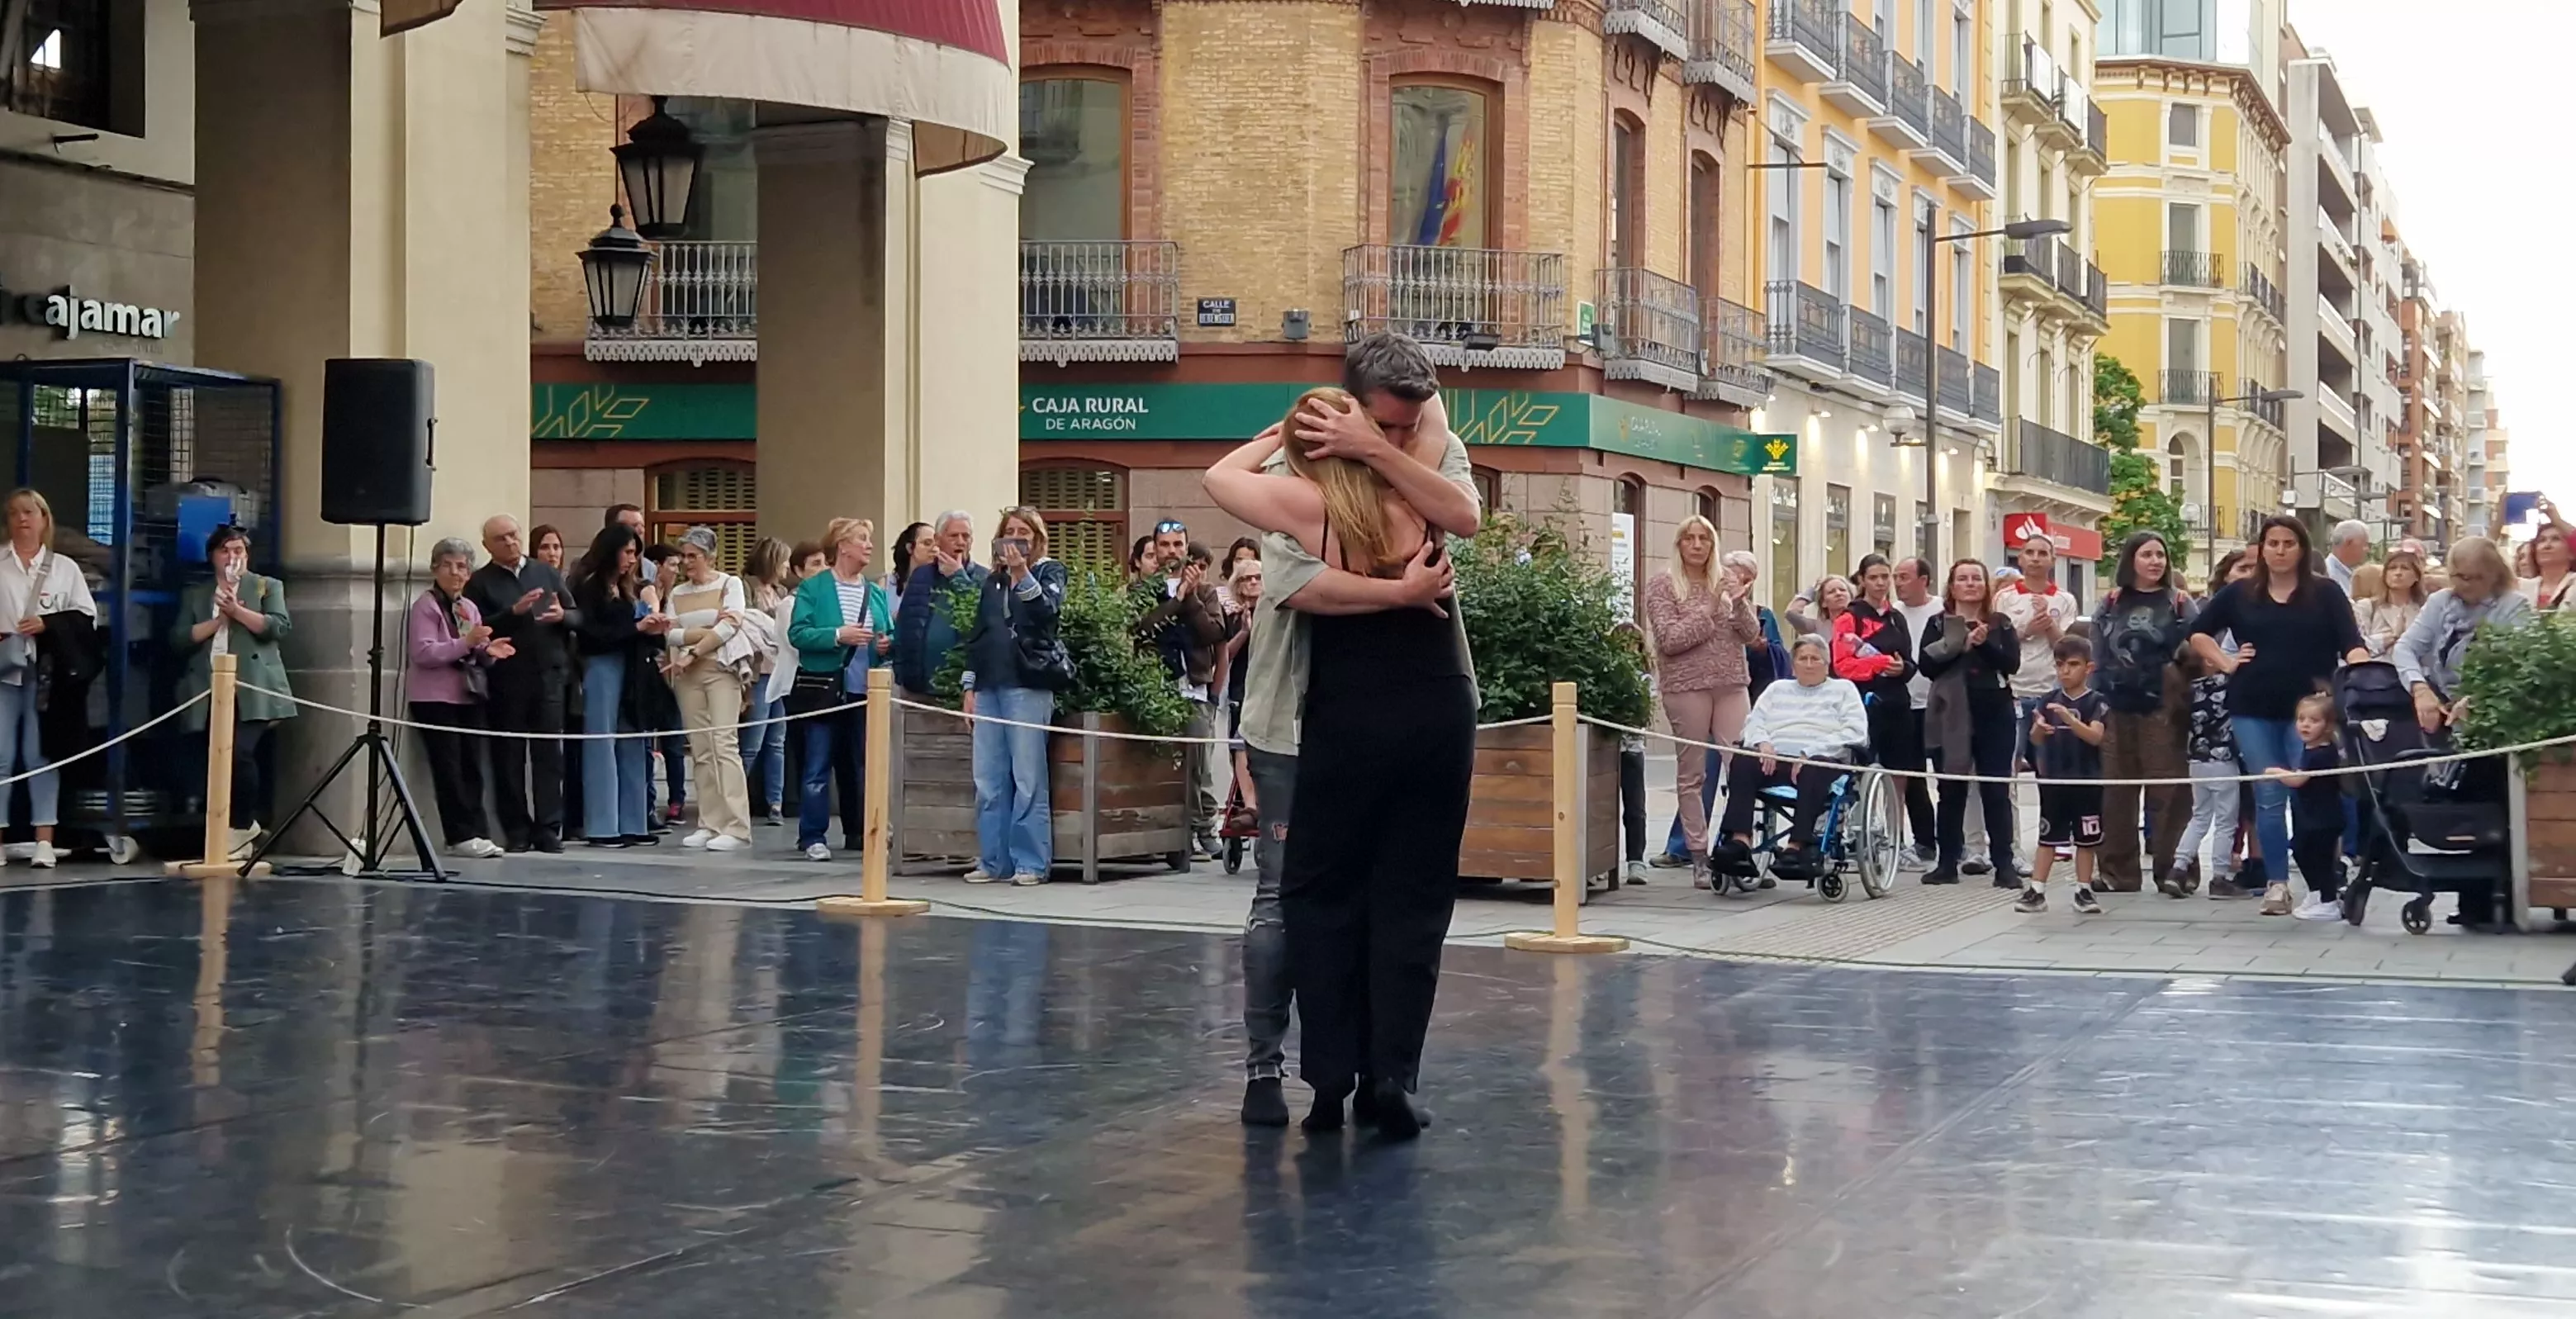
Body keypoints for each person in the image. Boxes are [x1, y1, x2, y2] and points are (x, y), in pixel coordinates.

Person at [1207, 351, 1478, 1140]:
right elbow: (1459, 506)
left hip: (1343, 707)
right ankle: (1384, 1075)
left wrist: (1279, 437)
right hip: (1423, 698)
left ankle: (1335, 1082)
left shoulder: (1304, 498)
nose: (1399, 429)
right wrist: (1401, 586)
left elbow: (1221, 482)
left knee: (1321, 896)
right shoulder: (1419, 485)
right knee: (1409, 900)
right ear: (1359, 416)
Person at [2189, 516, 2370, 916]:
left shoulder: (2325, 592)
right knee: (2269, 797)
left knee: (2312, 795)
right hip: (2252, 706)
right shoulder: (2240, 593)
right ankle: (2277, 883)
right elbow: (2199, 632)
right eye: (2273, 543)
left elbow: (2351, 643)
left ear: (2303, 548)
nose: (2281, 550)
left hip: (2310, 710)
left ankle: (2324, 883)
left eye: (2289, 542)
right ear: (2262, 548)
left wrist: (2368, 675)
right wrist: (2226, 662)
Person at [2393, 535, 2532, 927]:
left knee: (2489, 803)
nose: (2462, 585)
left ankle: (2487, 900)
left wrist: (2479, 696)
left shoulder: (2512, 607)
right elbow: (2406, 649)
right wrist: (2419, 687)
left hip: (2491, 719)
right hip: (2441, 708)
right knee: (2447, 799)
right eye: (2456, 576)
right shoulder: (2440, 603)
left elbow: (2520, 665)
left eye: (2472, 578)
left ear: (2493, 576)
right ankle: (2462, 896)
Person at [1641, 514, 1763, 884]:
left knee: (1742, 763)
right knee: (1692, 773)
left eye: (1704, 539)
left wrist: (1739, 603)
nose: (1697, 545)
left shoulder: (1725, 580)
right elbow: (1670, 640)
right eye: (1689, 538)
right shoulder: (1663, 585)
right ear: (1679, 545)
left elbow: (1750, 635)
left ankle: (1739, 847)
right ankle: (1697, 853)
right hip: (1687, 685)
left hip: (1730, 682)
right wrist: (1711, 606)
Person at [1706, 633, 1870, 890]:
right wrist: (1762, 744)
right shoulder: (1777, 689)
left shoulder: (1843, 690)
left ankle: (1798, 846)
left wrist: (1810, 751)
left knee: (1815, 768)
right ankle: (1739, 841)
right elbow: (1754, 722)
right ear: (1793, 665)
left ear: (1827, 663)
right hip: (1776, 759)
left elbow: (1856, 733)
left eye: (1815, 658)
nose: (1808, 663)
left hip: (1822, 761)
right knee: (1743, 760)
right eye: (1802, 658)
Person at [960, 506, 1068, 885]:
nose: (1016, 539)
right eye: (1010, 531)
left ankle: (1031, 862)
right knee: (988, 779)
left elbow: (1047, 615)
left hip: (1027, 684)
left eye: (1024, 532)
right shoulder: (993, 581)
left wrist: (1022, 572)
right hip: (990, 685)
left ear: (1036, 539)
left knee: (1027, 778)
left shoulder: (1049, 572)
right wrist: (969, 686)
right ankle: (993, 860)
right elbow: (979, 634)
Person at [173, 524, 292, 860]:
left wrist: (237, 611)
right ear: (212, 555)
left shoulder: (267, 587)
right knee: (212, 760)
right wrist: (216, 621)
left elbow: (278, 627)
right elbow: (179, 638)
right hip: (208, 687)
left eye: (238, 550)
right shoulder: (196, 594)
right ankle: (227, 830)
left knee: (239, 753)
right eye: (225, 550)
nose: (232, 557)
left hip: (253, 686)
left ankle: (242, 826)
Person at [2090, 531, 2194, 893]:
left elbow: (2196, 645)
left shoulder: (2179, 602)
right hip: (2116, 705)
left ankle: (2174, 870)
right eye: (2147, 554)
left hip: (2164, 706)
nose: (2155, 561)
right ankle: (2118, 873)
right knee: (2117, 790)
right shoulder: (2111, 601)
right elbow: (2098, 648)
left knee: (2170, 791)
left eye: (2161, 555)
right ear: (2131, 560)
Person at [466, 514, 576, 853]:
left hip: (548, 676)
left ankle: (548, 828)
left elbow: (576, 615)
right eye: (501, 539)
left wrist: (564, 616)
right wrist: (513, 612)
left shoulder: (544, 572)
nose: (510, 542)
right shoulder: (480, 582)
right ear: (487, 546)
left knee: (548, 756)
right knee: (509, 756)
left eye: (513, 535)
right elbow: (477, 628)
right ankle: (516, 829)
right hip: (507, 680)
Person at [788, 517, 894, 861]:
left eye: (870, 539)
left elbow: (889, 636)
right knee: (818, 762)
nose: (869, 545)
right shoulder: (814, 588)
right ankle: (812, 835)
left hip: (865, 689)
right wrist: (838, 635)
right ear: (842, 546)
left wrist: (884, 645)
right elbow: (798, 634)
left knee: (860, 764)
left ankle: (859, 831)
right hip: (824, 688)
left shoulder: (875, 593)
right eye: (862, 539)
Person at [0, 490, 95, 868]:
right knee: (1, 756)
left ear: (44, 518)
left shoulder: (64, 568)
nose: (21, 519)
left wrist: (48, 625)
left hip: (47, 673)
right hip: (4, 671)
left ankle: (44, 839)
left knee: (42, 754)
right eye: (13, 514)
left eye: (28, 512)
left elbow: (86, 618)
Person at [407, 537, 514, 858]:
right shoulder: (426, 605)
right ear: (435, 569)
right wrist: (468, 643)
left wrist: (488, 651)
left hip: (468, 696)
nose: (456, 572)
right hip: (435, 700)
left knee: (472, 767)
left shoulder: (468, 607)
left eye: (462, 567)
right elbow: (423, 652)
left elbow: (474, 648)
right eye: (448, 565)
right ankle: (458, 835)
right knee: (449, 769)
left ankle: (478, 831)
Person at [1135, 533, 1239, 858]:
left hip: (1194, 689)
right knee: (1162, 764)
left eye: (1178, 545)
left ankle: (1201, 828)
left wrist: (1190, 598)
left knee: (1198, 765)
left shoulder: (1206, 592)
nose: (1171, 552)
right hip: (1157, 689)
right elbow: (1142, 628)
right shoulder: (1144, 591)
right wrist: (1176, 600)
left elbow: (1214, 633)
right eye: (1164, 546)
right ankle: (1168, 834)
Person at [1919, 559, 2021, 887]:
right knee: (1951, 791)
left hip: (1994, 711)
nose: (1971, 583)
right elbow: (1926, 665)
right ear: (1952, 586)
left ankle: (2004, 864)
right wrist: (1962, 643)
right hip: (1952, 714)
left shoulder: (2000, 623)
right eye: (1963, 578)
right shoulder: (1938, 623)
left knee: (1996, 789)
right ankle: (1947, 862)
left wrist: (1985, 644)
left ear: (1986, 586)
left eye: (1977, 578)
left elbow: (2011, 664)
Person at [571, 524, 670, 847]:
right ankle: (602, 825)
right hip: (601, 665)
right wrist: (637, 627)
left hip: (630, 666)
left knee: (632, 740)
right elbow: (592, 636)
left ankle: (633, 821)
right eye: (627, 552)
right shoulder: (589, 587)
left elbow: (634, 630)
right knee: (602, 741)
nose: (632, 559)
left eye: (634, 553)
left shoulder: (629, 589)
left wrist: (653, 630)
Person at [658, 526, 753, 852]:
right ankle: (709, 823)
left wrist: (694, 648)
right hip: (687, 675)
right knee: (700, 747)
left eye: (693, 556)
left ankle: (736, 825)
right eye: (683, 556)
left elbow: (732, 624)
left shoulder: (730, 584)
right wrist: (704, 633)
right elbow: (669, 634)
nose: (687, 563)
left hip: (720, 670)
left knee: (724, 742)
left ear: (710, 556)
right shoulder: (678, 593)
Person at [2018, 637, 2109, 915]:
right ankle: (2037, 889)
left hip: (2087, 780)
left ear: (2089, 668)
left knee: (2086, 839)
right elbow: (2036, 739)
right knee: (2048, 838)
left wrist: (2071, 721)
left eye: (2073, 665)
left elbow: (2095, 736)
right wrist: (2039, 730)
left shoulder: (2097, 701)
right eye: (2060, 665)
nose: (2065, 671)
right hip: (2054, 780)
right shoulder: (2047, 700)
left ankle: (2083, 889)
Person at [1833, 555, 1915, 860]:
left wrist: (1901, 668)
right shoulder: (1849, 617)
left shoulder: (1897, 617)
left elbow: (1908, 661)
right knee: (1861, 770)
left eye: (1886, 577)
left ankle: (1896, 836)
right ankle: (1858, 834)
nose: (1881, 584)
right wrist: (1879, 664)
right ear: (1862, 580)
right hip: (1864, 701)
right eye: (1874, 578)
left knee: (1899, 771)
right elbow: (1842, 665)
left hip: (1897, 701)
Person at [2263, 690, 2350, 921]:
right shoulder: (2311, 749)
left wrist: (2277, 772)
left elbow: (2299, 780)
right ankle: (2316, 893)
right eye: (2301, 719)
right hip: (2311, 815)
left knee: (2321, 859)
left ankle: (2329, 901)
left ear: (2328, 725)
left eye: (2314, 720)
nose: (2305, 725)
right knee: (2301, 850)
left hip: (2324, 817)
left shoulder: (2322, 753)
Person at [2170, 642, 2241, 899]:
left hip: (2197, 762)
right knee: (2225, 822)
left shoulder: (2187, 690)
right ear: (2209, 661)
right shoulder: (2225, 684)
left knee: (2199, 817)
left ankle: (2178, 868)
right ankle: (2219, 877)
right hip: (2224, 761)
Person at [1888, 556, 1943, 866]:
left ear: (1924, 580)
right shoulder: (1892, 614)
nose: (1898, 582)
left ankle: (1955, 842)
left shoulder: (1940, 610)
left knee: (1948, 774)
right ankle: (1923, 842)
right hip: (1904, 705)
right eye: (1896, 576)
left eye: (1904, 576)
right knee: (1911, 776)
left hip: (1936, 704)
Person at [894, 510, 984, 699]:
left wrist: (958, 577)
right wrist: (901, 675)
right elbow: (904, 627)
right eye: (953, 536)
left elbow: (982, 621)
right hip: (918, 687)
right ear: (938, 539)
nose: (960, 542)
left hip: (962, 691)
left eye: (966, 536)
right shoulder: (921, 576)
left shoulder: (984, 578)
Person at [737, 537, 795, 824]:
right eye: (784, 560)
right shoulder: (746, 587)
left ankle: (776, 802)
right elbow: (749, 623)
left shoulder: (782, 590)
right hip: (759, 674)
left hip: (780, 672)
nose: (787, 566)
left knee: (777, 741)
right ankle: (735, 801)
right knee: (753, 741)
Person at [1610, 620, 1650, 886]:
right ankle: (1600, 863)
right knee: (1599, 808)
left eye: (1632, 647)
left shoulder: (1644, 680)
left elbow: (1643, 714)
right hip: (1605, 747)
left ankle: (1636, 861)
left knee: (1634, 808)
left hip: (1631, 749)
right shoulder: (1605, 674)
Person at [2355, 549, 2427, 657]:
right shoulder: (2366, 607)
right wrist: (2392, 637)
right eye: (2392, 568)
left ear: (2416, 576)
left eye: (2405, 568)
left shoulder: (2425, 610)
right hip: (2377, 670)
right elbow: (2359, 647)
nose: (2398, 573)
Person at [2519, 506, 2574, 610]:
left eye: (2556, 539)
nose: (2547, 545)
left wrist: (2557, 520)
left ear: (2572, 553)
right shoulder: (2522, 587)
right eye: (2541, 540)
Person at [885, 521, 934, 611]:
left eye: (937, 545)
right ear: (910, 548)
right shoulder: (886, 584)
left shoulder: (940, 584)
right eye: (927, 543)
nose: (934, 549)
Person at [2324, 519, 2371, 592]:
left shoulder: (2353, 573)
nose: (2368, 549)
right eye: (2365, 544)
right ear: (2348, 543)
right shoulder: (2328, 575)